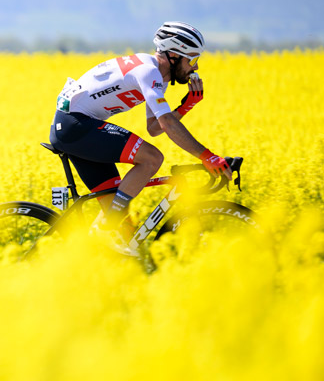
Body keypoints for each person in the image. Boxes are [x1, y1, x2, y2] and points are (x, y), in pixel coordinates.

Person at [49, 21, 232, 251]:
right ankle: (108, 226)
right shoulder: (148, 72)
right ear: (174, 55)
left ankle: (84, 254)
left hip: (78, 127)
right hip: (74, 126)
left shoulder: (159, 78)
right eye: (192, 60)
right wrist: (208, 156)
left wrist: (186, 105)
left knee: (121, 229)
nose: (194, 68)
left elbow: (153, 127)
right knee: (152, 158)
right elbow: (165, 124)